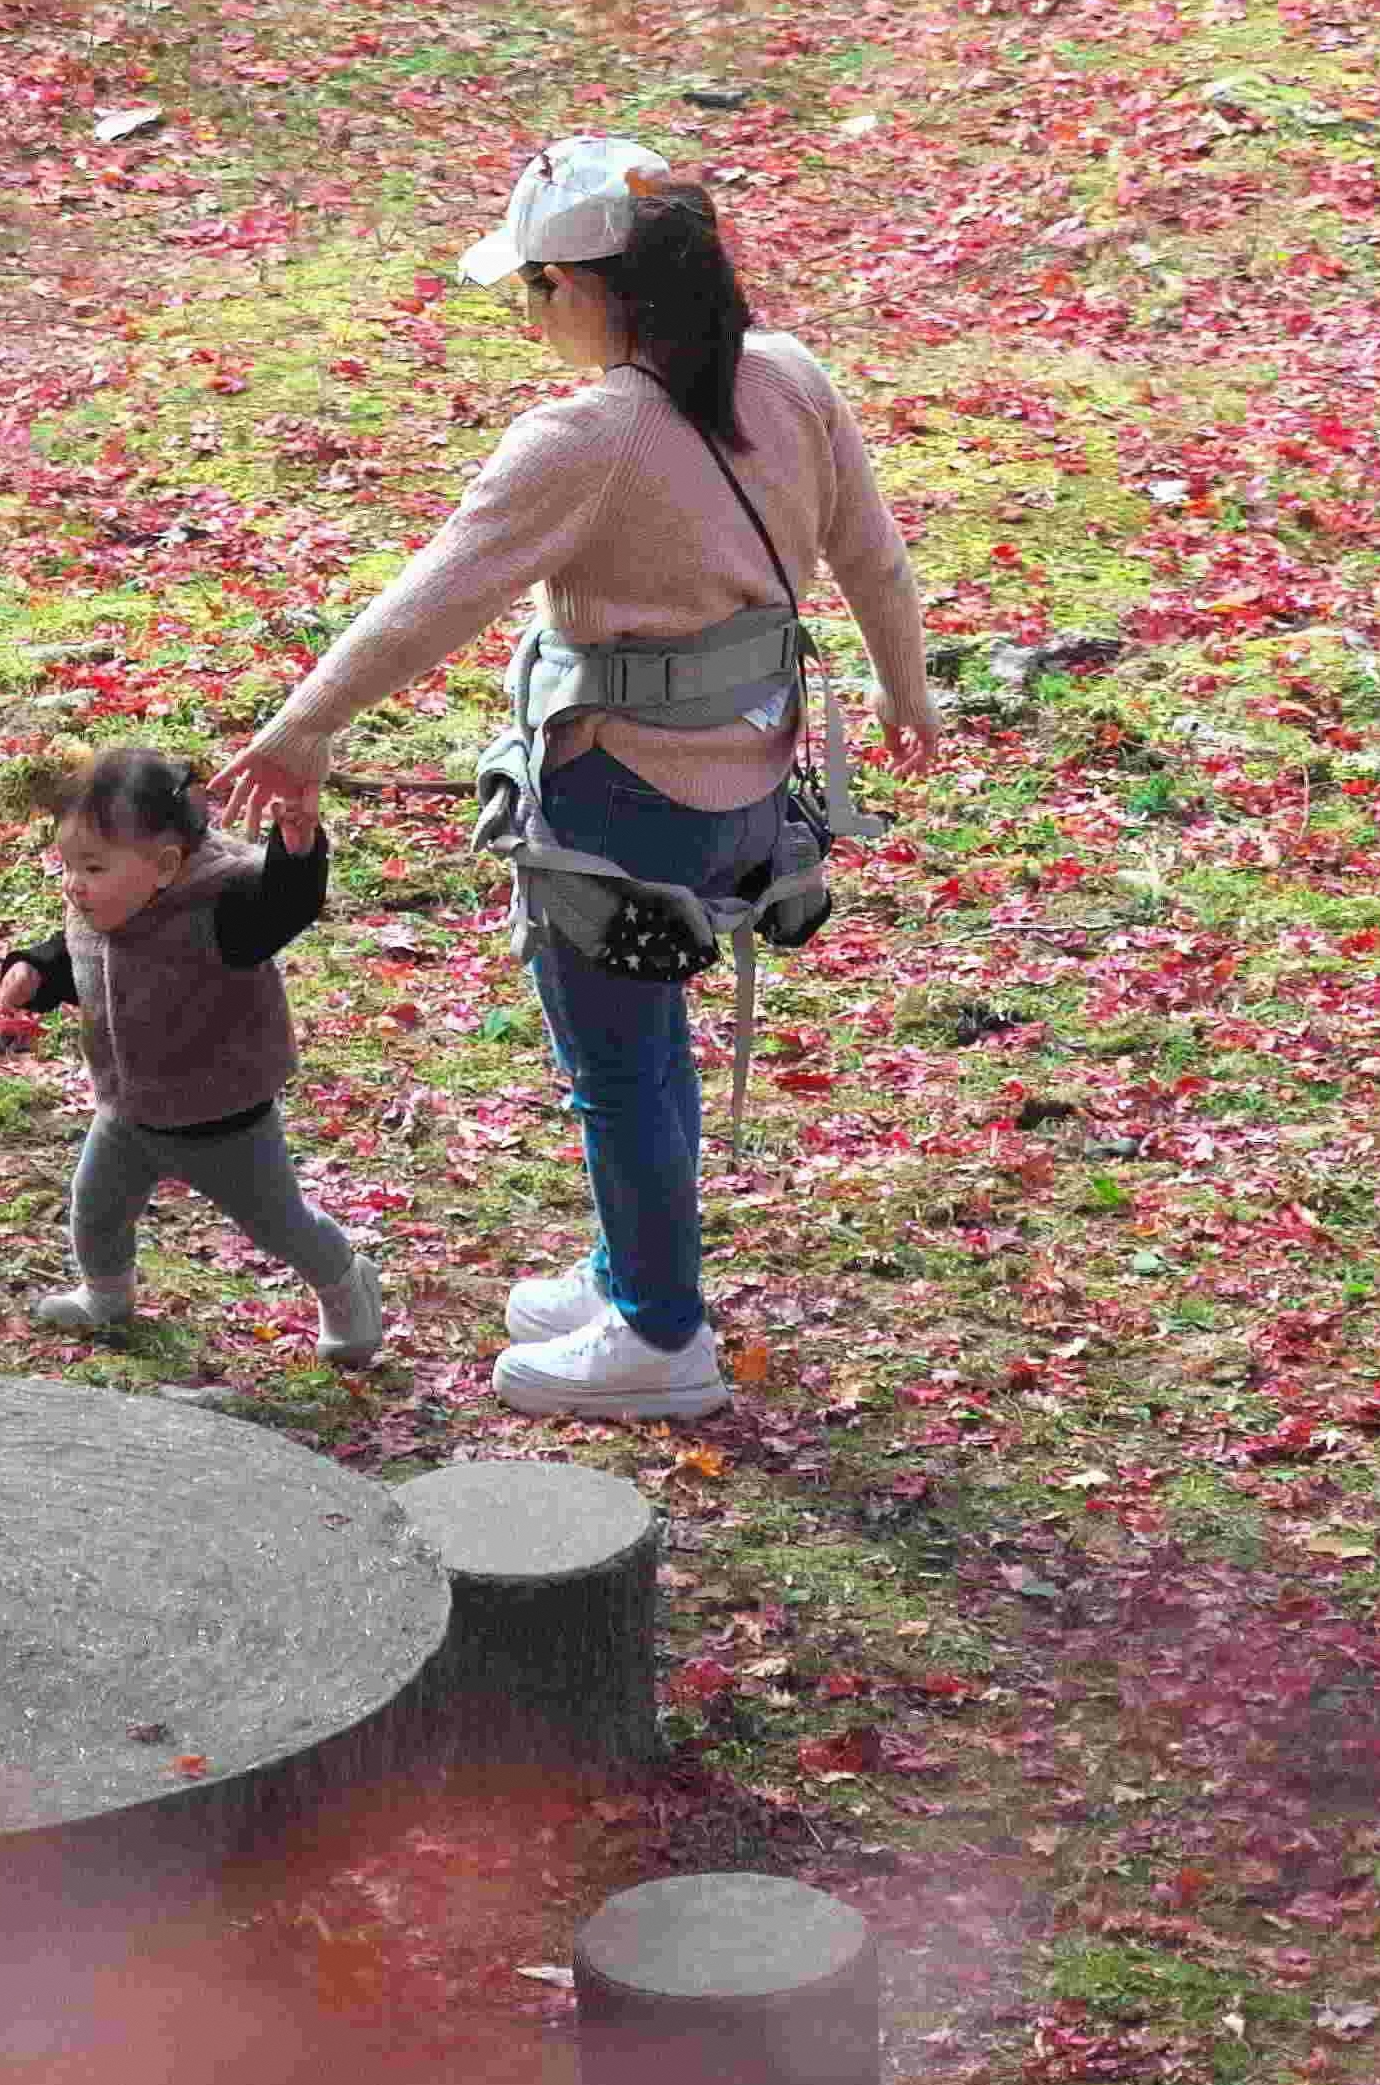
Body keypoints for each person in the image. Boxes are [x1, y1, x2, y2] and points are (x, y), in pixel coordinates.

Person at [218, 135, 933, 1428]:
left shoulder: (589, 435)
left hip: (620, 806)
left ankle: (661, 1331)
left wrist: (303, 725)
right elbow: (873, 560)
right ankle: (632, 1271)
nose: (531, 317)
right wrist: (905, 689)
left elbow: (432, 599)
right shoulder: (790, 377)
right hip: (750, 793)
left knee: (624, 1068)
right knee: (650, 1057)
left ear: (596, 292)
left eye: (535, 290)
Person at [0, 741, 391, 1370]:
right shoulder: (104, 902)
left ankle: (348, 1285)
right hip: (129, 1108)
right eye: (66, 865)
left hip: (222, 1118)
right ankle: (106, 1297)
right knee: (96, 1207)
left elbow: (282, 908)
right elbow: (81, 958)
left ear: (165, 864)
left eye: (92, 868)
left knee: (277, 1224)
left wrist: (297, 849)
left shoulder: (224, 907)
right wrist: (37, 972)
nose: (74, 886)